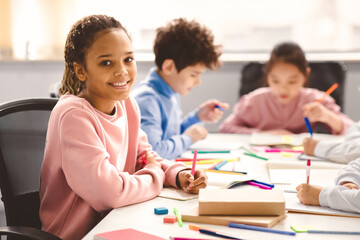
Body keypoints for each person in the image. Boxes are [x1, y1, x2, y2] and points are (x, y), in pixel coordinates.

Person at [39, 15, 207, 240]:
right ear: (81, 71)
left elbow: (146, 157)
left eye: (128, 59)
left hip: (116, 222)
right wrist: (156, 175)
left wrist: (178, 174)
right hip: (78, 234)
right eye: (106, 62)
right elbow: (109, 193)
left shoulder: (127, 105)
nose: (122, 71)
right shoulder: (73, 116)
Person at [131, 18, 228, 160]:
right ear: (169, 67)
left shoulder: (169, 92)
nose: (198, 82)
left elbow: (171, 136)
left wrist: (198, 117)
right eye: (194, 74)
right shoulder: (147, 100)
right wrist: (188, 139)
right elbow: (154, 152)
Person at [219, 42, 353, 135]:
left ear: (305, 75)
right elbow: (225, 128)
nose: (283, 89)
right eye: (275, 80)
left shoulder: (315, 100)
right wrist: (263, 134)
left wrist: (328, 116)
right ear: (267, 75)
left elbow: (353, 131)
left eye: (292, 81)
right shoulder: (254, 101)